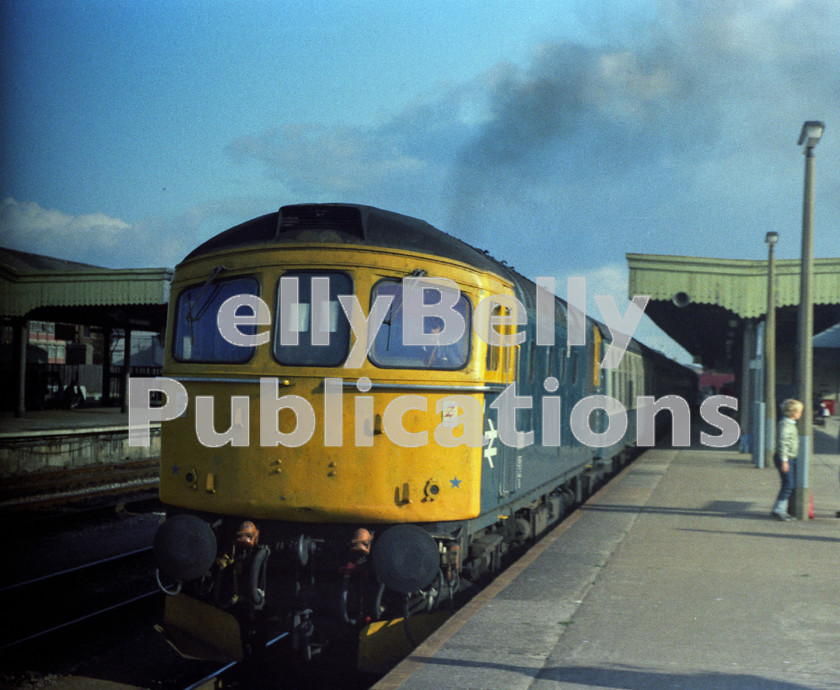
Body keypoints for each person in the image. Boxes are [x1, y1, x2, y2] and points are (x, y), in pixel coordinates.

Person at [771, 398, 803, 521]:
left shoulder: (789, 424)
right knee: (788, 484)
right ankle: (779, 510)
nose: (800, 414)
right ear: (794, 413)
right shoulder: (785, 425)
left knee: (789, 484)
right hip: (786, 458)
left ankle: (781, 509)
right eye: (799, 412)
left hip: (790, 457)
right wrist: (784, 460)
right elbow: (782, 443)